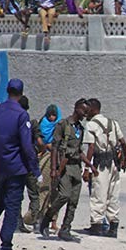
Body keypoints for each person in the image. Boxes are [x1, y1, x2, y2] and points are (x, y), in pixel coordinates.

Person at [0, 80, 39, 250]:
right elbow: (27, 146)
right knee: (13, 205)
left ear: (7, 91)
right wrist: (36, 170)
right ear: (21, 93)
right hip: (16, 168)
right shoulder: (21, 115)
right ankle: (6, 245)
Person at [39, 99, 88, 241]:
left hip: (76, 167)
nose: (85, 113)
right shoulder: (63, 125)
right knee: (64, 196)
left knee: (74, 200)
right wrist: (54, 168)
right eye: (83, 110)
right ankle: (47, 218)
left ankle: (66, 228)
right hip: (64, 167)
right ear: (76, 108)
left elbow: (79, 151)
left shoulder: (80, 129)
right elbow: (54, 147)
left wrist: (90, 167)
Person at [83, 99, 126, 238]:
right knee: (113, 194)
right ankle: (113, 227)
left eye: (87, 109)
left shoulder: (91, 125)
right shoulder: (113, 123)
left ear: (93, 109)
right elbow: (123, 142)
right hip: (114, 163)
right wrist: (125, 159)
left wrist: (86, 168)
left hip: (100, 164)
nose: (85, 113)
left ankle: (96, 226)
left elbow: (90, 147)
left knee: (99, 194)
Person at [22, 104, 59, 230]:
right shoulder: (40, 124)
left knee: (55, 191)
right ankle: (35, 217)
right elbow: (40, 142)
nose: (52, 118)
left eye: (54, 115)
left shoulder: (61, 126)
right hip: (43, 158)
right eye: (50, 115)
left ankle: (53, 220)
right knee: (42, 189)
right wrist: (45, 147)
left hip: (57, 159)